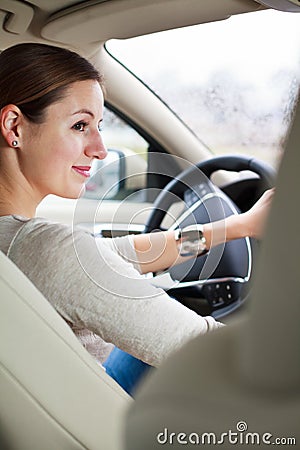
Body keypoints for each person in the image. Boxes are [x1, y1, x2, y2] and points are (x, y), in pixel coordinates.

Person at [0, 43, 273, 395]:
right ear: (14, 126)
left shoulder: (25, 244)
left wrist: (240, 227)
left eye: (99, 126)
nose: (99, 148)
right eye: (80, 125)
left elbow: (123, 254)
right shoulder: (50, 250)